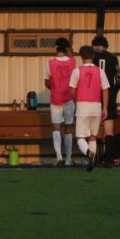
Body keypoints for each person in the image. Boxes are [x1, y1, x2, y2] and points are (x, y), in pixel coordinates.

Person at [69, 46, 110, 172]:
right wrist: (105, 108)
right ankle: (91, 162)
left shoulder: (77, 71)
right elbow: (105, 90)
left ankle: (88, 153)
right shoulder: (100, 71)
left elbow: (72, 91)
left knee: (80, 137)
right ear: (93, 56)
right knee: (93, 135)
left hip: (82, 106)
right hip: (96, 106)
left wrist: (77, 101)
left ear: (81, 57)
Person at [44, 37, 77, 166]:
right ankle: (68, 159)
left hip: (56, 98)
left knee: (56, 127)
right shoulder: (73, 61)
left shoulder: (50, 63)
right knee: (68, 127)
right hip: (69, 98)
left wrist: (55, 87)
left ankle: (58, 156)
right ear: (67, 48)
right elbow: (71, 54)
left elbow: (47, 82)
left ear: (56, 48)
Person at [91, 36, 120, 162]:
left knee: (93, 129)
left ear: (93, 45)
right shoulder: (113, 58)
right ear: (106, 46)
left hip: (93, 96)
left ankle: (92, 159)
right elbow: (119, 78)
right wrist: (113, 91)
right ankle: (109, 158)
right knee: (109, 130)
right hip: (110, 95)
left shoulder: (91, 57)